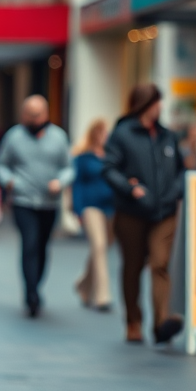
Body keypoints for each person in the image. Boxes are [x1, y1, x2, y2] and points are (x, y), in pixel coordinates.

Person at [103, 83, 185, 345]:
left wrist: (175, 191)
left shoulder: (167, 136)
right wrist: (130, 188)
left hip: (165, 212)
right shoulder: (122, 134)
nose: (160, 107)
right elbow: (109, 168)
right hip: (132, 213)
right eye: (157, 102)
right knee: (133, 267)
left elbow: (182, 170)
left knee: (160, 264)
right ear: (145, 104)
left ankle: (161, 323)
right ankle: (133, 321)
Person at [0, 95, 74, 317]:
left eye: (38, 114)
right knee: (30, 244)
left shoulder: (59, 137)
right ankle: (31, 294)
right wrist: (9, 181)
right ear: (23, 114)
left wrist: (61, 181)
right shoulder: (14, 136)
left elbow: (69, 167)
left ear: (46, 113)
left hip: (49, 202)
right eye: (30, 114)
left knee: (42, 247)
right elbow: (0, 164)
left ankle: (36, 285)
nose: (34, 118)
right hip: (23, 200)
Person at [71, 118, 114, 312]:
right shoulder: (84, 158)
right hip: (90, 207)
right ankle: (102, 295)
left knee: (101, 249)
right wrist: (78, 209)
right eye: (102, 133)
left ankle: (83, 284)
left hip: (111, 209)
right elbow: (77, 184)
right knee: (99, 245)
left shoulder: (112, 157)